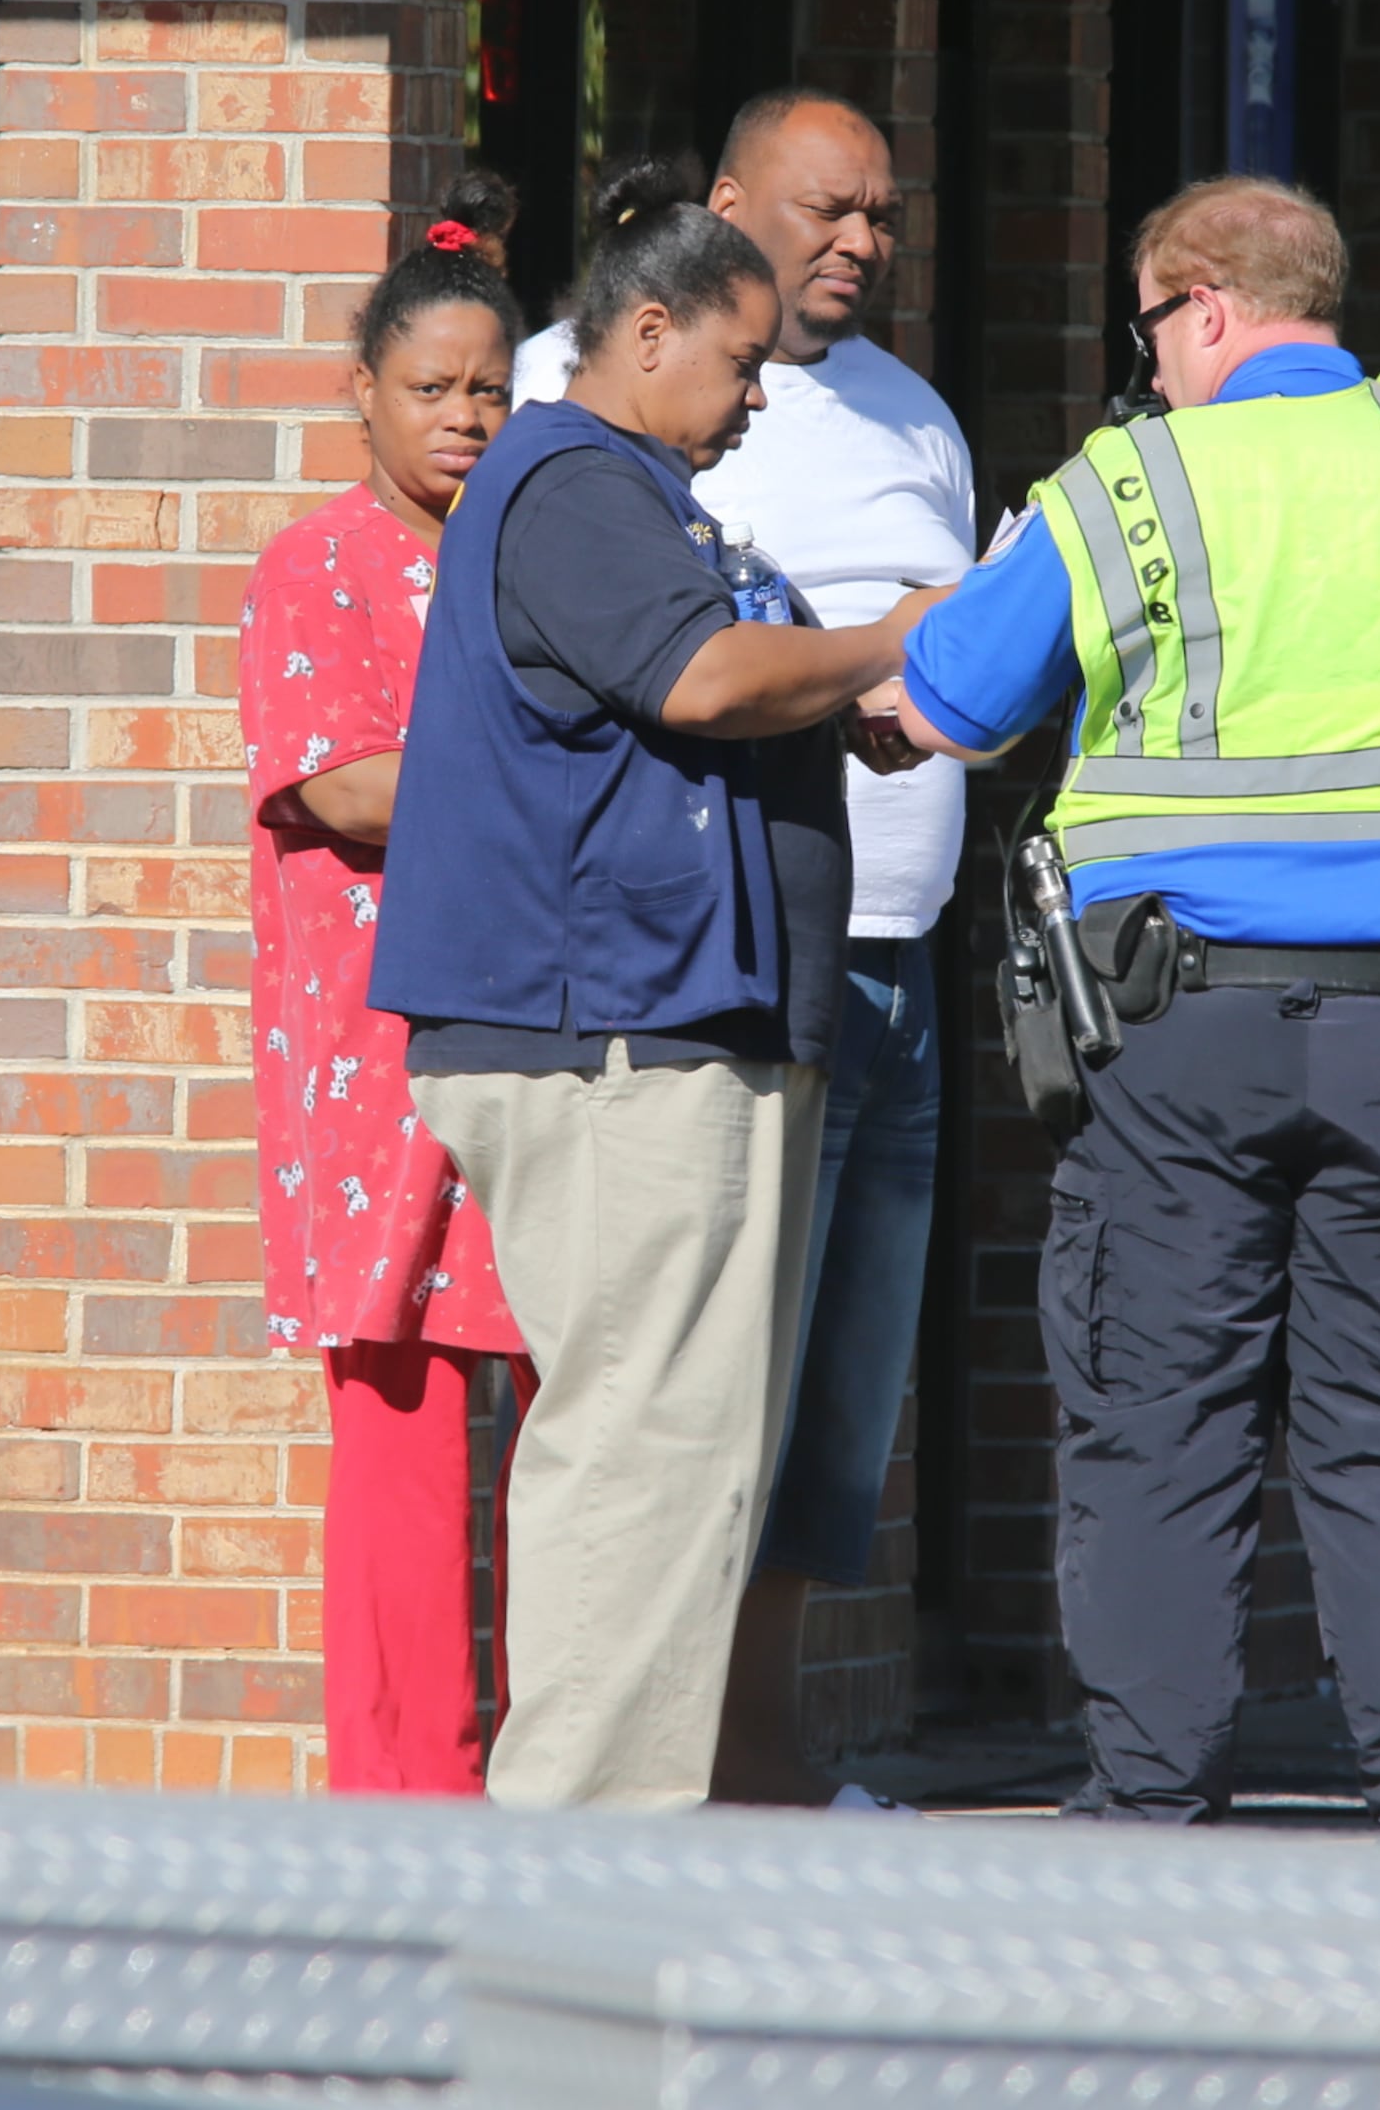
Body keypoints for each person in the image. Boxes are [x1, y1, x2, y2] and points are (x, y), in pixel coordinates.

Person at [894, 175, 1380, 1836]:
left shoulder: (1125, 485)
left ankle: (1156, 1804)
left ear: (1208, 305)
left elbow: (951, 706)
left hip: (1167, 1037)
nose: (1151, 363)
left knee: (1159, 1413)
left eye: (1153, 328)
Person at [372, 164, 945, 1809]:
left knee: (686, 1453)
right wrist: (891, 633)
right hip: (611, 1034)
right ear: (643, 328)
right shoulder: (569, 478)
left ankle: (625, 1844)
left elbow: (693, 687)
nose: (760, 399)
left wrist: (832, 703)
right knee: (646, 1447)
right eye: (740, 362)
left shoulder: (644, 493)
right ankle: (577, 1867)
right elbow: (695, 675)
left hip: (678, 1025)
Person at [518, 92, 976, 1808]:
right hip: (728, 964)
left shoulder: (915, 415)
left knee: (842, 1386)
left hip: (900, 947)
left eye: (883, 212)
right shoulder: (607, 393)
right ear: (722, 210)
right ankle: (669, 1769)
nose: (861, 239)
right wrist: (868, 655)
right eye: (826, 207)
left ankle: (757, 1750)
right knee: (709, 1383)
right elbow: (678, 665)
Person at [240, 178, 535, 1795]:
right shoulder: (318, 566)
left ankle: (554, 1774)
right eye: (430, 387)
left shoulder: (545, 550)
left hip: (549, 1026)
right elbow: (344, 784)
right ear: (364, 394)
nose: (464, 417)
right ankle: (408, 1785)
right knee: (406, 1413)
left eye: (491, 386)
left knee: (568, 1403)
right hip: (377, 1050)